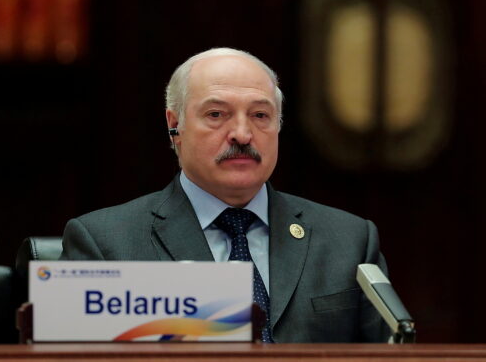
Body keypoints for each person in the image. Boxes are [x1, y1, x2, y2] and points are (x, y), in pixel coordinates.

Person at [60, 47, 389, 343]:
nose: (243, 135)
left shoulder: (349, 240)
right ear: (175, 126)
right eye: (216, 115)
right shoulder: (106, 243)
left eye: (260, 116)